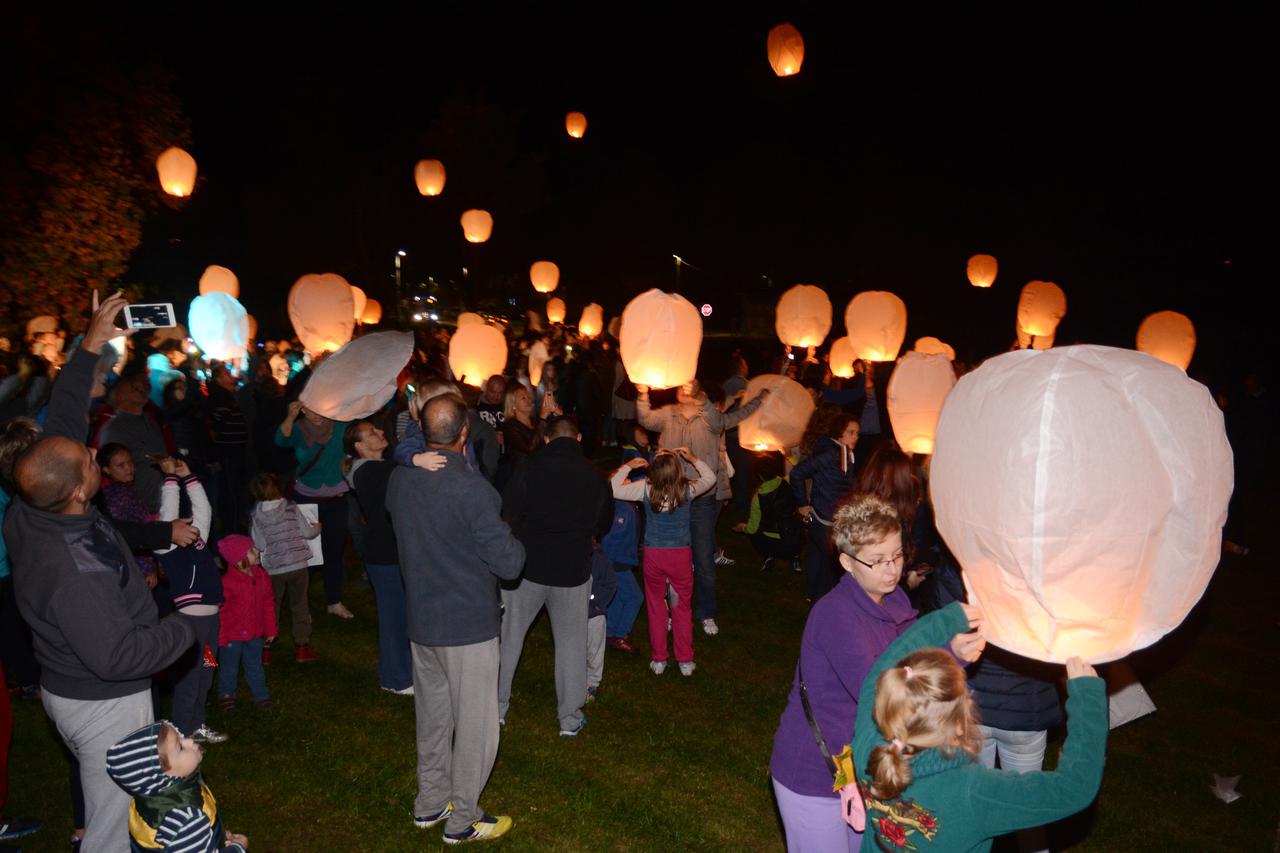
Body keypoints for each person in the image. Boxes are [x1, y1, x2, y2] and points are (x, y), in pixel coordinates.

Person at [6, 292, 196, 853]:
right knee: (112, 823)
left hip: (73, 686)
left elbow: (65, 415)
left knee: (118, 809)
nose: (94, 455)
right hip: (103, 700)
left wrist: (91, 341)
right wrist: (183, 625)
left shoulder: (32, 503)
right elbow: (116, 657)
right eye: (89, 462)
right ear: (78, 491)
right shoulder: (75, 571)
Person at [852, 604, 1105, 853]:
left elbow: (884, 666)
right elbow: (1071, 789)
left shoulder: (868, 741)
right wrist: (1087, 700)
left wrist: (947, 621)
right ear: (959, 720)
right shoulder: (972, 792)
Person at [388, 394, 524, 843]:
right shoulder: (471, 488)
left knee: (432, 717)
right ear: (465, 433)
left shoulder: (400, 482)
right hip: (467, 625)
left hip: (423, 622)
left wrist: (410, 446)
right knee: (475, 725)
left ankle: (429, 802)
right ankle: (463, 817)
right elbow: (509, 563)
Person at [769, 494, 918, 851]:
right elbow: (882, 694)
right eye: (878, 560)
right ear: (847, 563)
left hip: (863, 770)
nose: (892, 568)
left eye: (897, 555)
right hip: (815, 776)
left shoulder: (895, 599)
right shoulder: (835, 615)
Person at [497, 416, 613, 736]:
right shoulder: (596, 476)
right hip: (572, 570)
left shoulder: (529, 468)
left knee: (509, 637)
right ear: (577, 438)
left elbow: (507, 513)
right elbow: (602, 523)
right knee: (571, 644)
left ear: (547, 439)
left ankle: (496, 708)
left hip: (527, 569)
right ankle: (569, 718)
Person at [636, 380, 767, 636]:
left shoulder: (709, 416)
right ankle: (669, 611)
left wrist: (705, 397)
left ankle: (706, 612)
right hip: (671, 496)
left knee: (704, 560)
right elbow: (645, 419)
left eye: (690, 388)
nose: (684, 390)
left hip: (702, 498)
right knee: (668, 555)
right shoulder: (668, 415)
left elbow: (722, 422)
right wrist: (642, 394)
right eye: (682, 387)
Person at [345, 420, 441, 695]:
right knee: (394, 616)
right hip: (384, 554)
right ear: (359, 446)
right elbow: (406, 472)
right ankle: (396, 679)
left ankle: (397, 672)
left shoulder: (375, 469)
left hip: (387, 551)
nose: (380, 432)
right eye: (371, 433)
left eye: (378, 428)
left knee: (399, 613)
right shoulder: (371, 472)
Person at [609, 448, 715, 676]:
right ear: (678, 470)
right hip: (679, 557)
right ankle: (685, 661)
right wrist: (693, 458)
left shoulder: (645, 489)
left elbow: (613, 487)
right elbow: (710, 478)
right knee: (681, 608)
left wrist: (628, 466)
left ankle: (659, 660)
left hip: (654, 556)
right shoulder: (687, 489)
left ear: (652, 471)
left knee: (656, 607)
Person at [155, 459, 225, 744]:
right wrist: (171, 478)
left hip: (211, 621)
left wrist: (189, 476)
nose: (189, 523)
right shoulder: (167, 546)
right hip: (192, 622)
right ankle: (183, 732)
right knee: (190, 677)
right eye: (179, 523)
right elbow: (167, 513)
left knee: (207, 670)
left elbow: (204, 511)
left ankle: (197, 723)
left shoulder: (199, 541)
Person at [105, 720, 249, 852]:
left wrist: (210, 835)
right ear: (162, 776)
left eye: (181, 737)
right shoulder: (187, 820)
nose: (189, 741)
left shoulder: (145, 801)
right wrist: (238, 847)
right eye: (179, 747)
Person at [275, 401, 352, 619]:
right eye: (309, 409)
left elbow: (355, 440)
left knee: (334, 550)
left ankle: (334, 600)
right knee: (306, 553)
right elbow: (281, 440)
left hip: (336, 499)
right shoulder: (299, 428)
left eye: (319, 407)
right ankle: (300, 602)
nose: (316, 415)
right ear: (301, 408)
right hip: (307, 498)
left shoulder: (340, 426)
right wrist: (290, 417)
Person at [248, 473, 321, 664]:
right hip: (298, 565)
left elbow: (260, 545)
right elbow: (307, 532)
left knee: (271, 606)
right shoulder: (291, 507)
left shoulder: (256, 515)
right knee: (299, 604)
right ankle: (302, 648)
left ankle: (265, 650)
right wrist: (317, 527)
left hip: (273, 569)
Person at [791, 405, 861, 601]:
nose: (855, 437)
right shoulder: (832, 454)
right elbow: (797, 473)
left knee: (817, 556)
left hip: (827, 515)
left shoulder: (844, 452)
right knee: (831, 564)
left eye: (857, 433)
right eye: (851, 432)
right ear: (839, 433)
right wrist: (802, 504)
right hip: (824, 518)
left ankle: (813, 593)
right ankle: (822, 601)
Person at [90, 370, 176, 512]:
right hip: (143, 505)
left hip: (166, 495)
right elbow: (111, 469)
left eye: (142, 387)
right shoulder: (114, 429)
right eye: (134, 388)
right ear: (120, 396)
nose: (142, 390)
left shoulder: (150, 420)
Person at [215, 535, 276, 712]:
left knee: (255, 665)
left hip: (255, 633)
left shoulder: (261, 576)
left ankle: (261, 695)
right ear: (238, 559)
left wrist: (271, 629)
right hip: (232, 636)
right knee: (229, 667)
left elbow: (268, 603)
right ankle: (227, 694)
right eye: (251, 550)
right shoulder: (227, 582)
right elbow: (222, 613)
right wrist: (222, 637)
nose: (257, 552)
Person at [206, 364, 250, 534]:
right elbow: (217, 424)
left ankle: (234, 523)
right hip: (229, 451)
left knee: (235, 488)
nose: (230, 376)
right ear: (218, 379)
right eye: (226, 374)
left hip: (235, 449)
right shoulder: (221, 397)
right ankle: (232, 528)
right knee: (231, 490)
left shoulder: (227, 395)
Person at [743, 452, 803, 571]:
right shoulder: (787, 481)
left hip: (773, 544)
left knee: (754, 532)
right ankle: (795, 556)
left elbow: (752, 528)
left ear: (759, 475)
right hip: (795, 538)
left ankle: (769, 556)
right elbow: (802, 468)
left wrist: (742, 527)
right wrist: (789, 455)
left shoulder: (757, 497)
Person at [585, 543, 617, 702]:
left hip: (595, 615)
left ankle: (592, 682)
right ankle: (574, 681)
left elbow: (610, 584)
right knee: (575, 649)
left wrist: (596, 601)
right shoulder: (569, 554)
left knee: (594, 650)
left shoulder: (600, 560)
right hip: (573, 615)